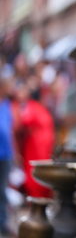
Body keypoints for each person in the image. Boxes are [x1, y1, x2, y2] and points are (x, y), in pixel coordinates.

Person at [0, 77, 15, 237]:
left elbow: (10, 131)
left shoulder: (7, 104)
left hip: (6, 155)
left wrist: (15, 152)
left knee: (2, 190)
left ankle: (3, 221)